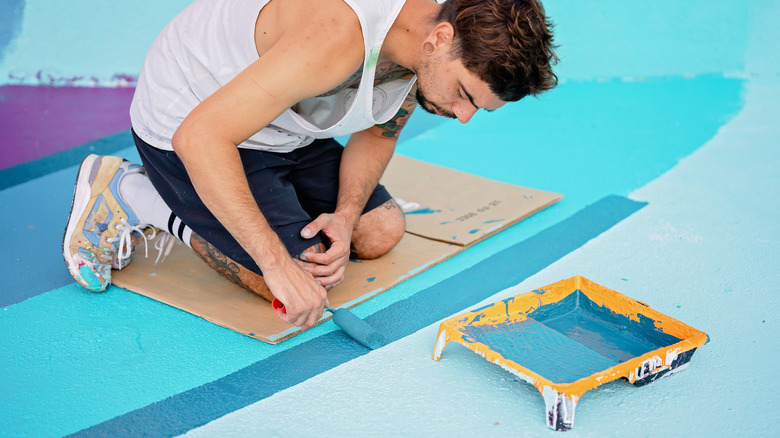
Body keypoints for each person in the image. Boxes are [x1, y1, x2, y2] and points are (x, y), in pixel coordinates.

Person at [63, 0, 558, 331]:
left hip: (283, 125)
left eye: (478, 108)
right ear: (442, 38)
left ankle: (263, 220)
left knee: (378, 231)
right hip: (190, 123)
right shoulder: (336, 35)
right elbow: (200, 136)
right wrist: (277, 266)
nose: (463, 116)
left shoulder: (425, 43)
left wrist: (344, 216)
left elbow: (378, 132)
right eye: (465, 95)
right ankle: (137, 193)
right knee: (291, 289)